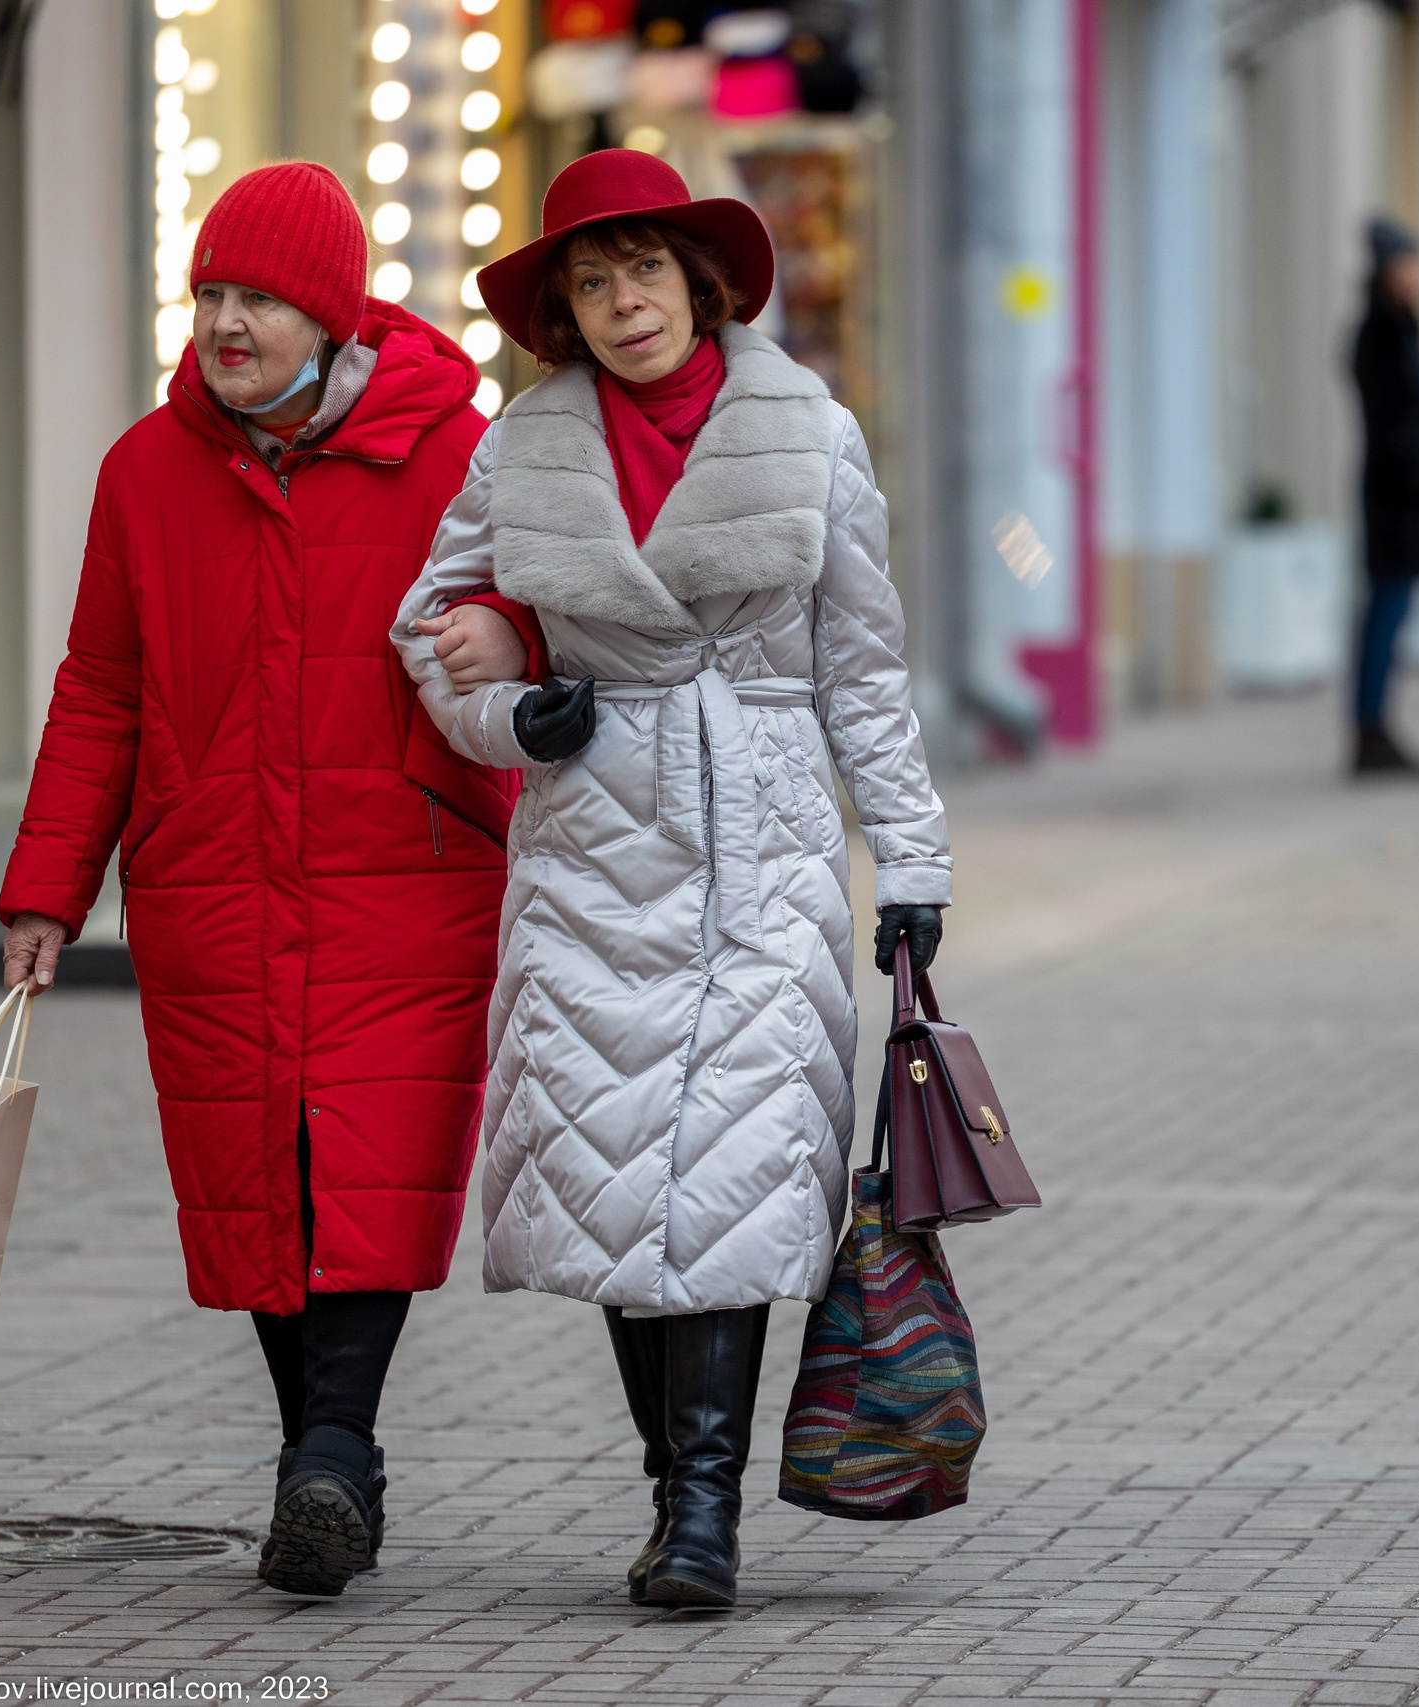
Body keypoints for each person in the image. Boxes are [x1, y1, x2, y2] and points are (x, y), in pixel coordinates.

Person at [390, 151, 952, 1611]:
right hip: (591, 852)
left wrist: (912, 856)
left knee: (727, 1181)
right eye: (591, 280)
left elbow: (862, 668)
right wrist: (515, 712)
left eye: (644, 269)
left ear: (700, 284)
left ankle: (702, 1515)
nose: (623, 301)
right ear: (565, 312)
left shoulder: (807, 431)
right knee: (620, 1179)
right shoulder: (523, 449)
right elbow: (430, 622)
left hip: (762, 849)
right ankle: (672, 1490)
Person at [0, 164, 544, 1599]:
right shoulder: (145, 470)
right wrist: (47, 886)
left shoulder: (453, 456)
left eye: (261, 299)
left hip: (405, 873)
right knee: (261, 1176)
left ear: (332, 311)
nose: (228, 323)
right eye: (212, 295)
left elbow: (536, 622)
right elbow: (101, 689)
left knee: (366, 1158)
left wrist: (504, 645)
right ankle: (324, 1456)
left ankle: (333, 1451)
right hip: (213, 877)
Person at [1347, 216, 1419, 778]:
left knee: (1394, 610)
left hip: (1402, 492)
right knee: (1386, 609)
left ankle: (1378, 723)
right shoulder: (1380, 334)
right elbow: (1394, 420)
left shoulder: (1404, 327)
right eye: (1411, 264)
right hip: (1394, 495)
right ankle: (1370, 726)